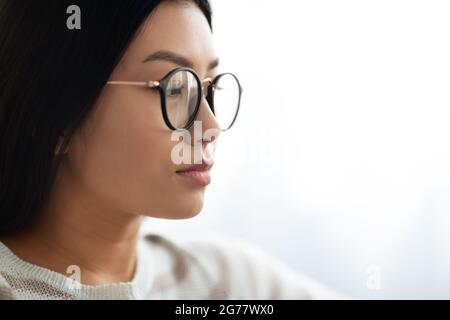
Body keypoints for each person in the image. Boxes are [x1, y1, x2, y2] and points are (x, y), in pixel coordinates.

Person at [0, 0, 340, 300]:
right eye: (176, 87)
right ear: (56, 115)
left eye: (209, 88)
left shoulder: (227, 281)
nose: (211, 127)